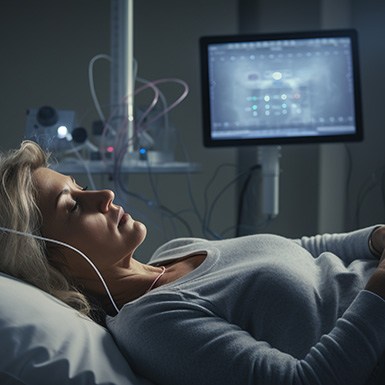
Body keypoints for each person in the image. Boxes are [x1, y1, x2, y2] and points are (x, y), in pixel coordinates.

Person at [1, 140, 385, 385]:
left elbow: (305, 249)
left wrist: (372, 239)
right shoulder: (153, 325)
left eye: (80, 187)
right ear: (50, 261)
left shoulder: (177, 249)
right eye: (72, 206)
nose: (104, 195)